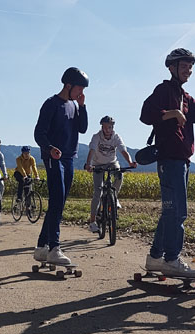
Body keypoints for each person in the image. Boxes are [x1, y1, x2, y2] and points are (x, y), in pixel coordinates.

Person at [139, 48, 195, 278]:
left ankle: (155, 257)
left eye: (190, 67)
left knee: (170, 212)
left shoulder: (185, 97)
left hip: (182, 162)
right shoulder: (163, 90)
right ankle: (171, 259)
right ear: (172, 68)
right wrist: (172, 113)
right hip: (170, 161)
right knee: (177, 212)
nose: (188, 70)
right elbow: (146, 114)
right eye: (184, 66)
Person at [33, 67, 89, 265]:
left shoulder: (74, 105)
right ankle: (54, 247)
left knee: (59, 203)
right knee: (57, 201)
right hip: (54, 158)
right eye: (79, 88)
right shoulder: (51, 104)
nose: (81, 92)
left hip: (69, 158)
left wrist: (82, 107)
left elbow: (82, 128)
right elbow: (39, 133)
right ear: (68, 85)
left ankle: (41, 247)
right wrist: (49, 148)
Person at [84, 116, 137, 233]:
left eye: (109, 127)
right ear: (102, 127)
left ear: (112, 127)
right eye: (104, 127)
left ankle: (114, 197)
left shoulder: (116, 137)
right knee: (98, 191)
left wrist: (130, 162)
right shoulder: (96, 137)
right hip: (97, 164)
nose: (107, 130)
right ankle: (92, 222)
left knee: (119, 175)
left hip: (112, 163)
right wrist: (88, 164)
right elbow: (92, 150)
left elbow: (123, 150)